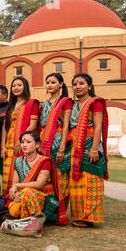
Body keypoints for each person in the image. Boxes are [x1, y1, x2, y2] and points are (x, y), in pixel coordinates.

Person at [69, 73, 109, 228]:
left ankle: (89, 216)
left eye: (81, 83)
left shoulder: (95, 102)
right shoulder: (74, 105)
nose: (77, 87)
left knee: (91, 181)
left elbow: (98, 126)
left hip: (89, 144)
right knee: (77, 181)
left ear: (90, 86)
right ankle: (79, 216)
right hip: (75, 146)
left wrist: (93, 149)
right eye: (74, 84)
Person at [6, 131, 68, 225]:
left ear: (37, 144)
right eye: (22, 142)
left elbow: (39, 184)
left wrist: (18, 186)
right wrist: (17, 193)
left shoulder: (44, 161)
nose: (24, 145)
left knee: (28, 192)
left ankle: (34, 222)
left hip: (44, 197)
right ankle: (27, 220)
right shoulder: (18, 161)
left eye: (28, 142)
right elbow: (15, 183)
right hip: (24, 194)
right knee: (13, 209)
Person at [1, 77, 40, 197]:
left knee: (21, 170)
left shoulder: (31, 103)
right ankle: (8, 201)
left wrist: (20, 141)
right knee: (7, 173)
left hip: (24, 142)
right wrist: (3, 146)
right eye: (14, 86)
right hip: (9, 143)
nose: (16, 88)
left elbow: (33, 124)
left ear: (25, 87)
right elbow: (5, 127)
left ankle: (21, 200)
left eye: (19, 85)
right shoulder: (10, 106)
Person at [40, 73, 73, 204]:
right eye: (47, 82)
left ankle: (61, 210)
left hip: (59, 140)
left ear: (61, 84)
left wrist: (62, 148)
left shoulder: (65, 101)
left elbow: (66, 126)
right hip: (44, 142)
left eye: (53, 82)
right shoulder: (44, 104)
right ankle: (50, 210)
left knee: (61, 177)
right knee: (47, 176)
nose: (50, 85)